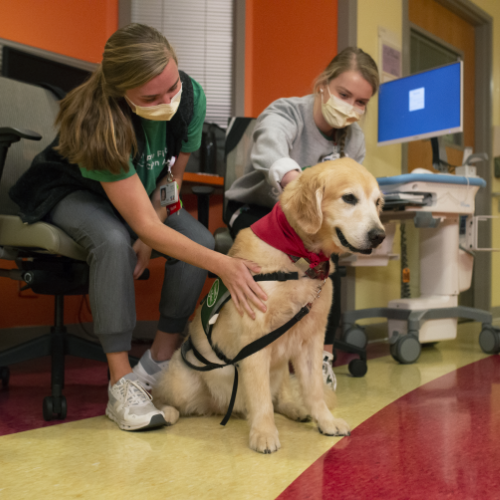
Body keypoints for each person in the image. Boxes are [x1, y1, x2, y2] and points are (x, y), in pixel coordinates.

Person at [9, 24, 267, 432]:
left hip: (140, 196)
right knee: (113, 241)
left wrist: (153, 231)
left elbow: (171, 180)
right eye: (151, 97)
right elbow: (139, 224)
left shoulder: (190, 97)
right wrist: (221, 263)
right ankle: (120, 382)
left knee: (196, 237)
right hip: (73, 190)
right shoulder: (99, 122)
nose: (167, 101)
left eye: (172, 87)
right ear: (120, 91)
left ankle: (157, 364)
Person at [224, 47, 379, 390]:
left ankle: (318, 358)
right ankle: (259, 360)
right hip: (257, 209)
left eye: (361, 102)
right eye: (344, 94)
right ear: (323, 84)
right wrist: (300, 189)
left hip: (310, 224)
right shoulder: (287, 111)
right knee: (280, 276)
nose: (351, 107)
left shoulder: (353, 139)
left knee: (326, 271)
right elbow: (268, 147)